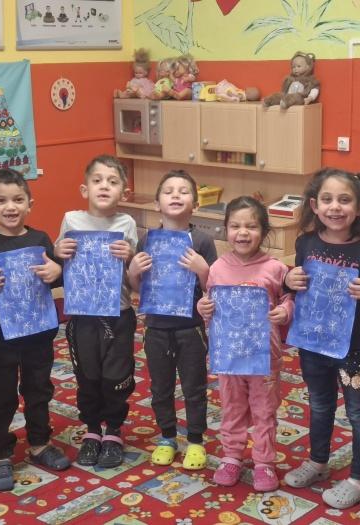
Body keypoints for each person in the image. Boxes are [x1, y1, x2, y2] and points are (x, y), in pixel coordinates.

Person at [284, 168, 360, 509]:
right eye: (327, 199)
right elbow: (296, 284)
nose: (335, 207)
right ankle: (318, 462)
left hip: (352, 349)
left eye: (344, 200)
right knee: (319, 404)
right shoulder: (305, 243)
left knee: (359, 412)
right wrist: (289, 280)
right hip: (313, 343)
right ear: (314, 205)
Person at [0, 168, 70, 492]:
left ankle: (39, 443)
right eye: (1, 201)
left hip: (38, 335)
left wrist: (57, 270)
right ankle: (1, 453)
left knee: (38, 388)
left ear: (29, 204)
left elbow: (55, 276)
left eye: (17, 199)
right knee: (1, 394)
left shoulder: (39, 240)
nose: (10, 207)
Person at [197, 196, 293, 492]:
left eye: (251, 226)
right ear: (226, 229)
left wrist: (285, 310)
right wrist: (203, 309)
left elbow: (289, 299)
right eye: (235, 226)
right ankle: (231, 456)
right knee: (232, 407)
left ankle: (264, 462)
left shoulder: (275, 268)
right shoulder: (217, 268)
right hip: (229, 355)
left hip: (264, 357)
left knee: (265, 410)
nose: (242, 232)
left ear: (264, 231)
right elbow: (209, 305)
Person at [127, 170, 217, 470]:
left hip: (191, 328)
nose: (176, 195)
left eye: (183, 191)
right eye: (168, 191)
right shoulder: (147, 240)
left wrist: (203, 269)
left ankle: (195, 440)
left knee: (194, 387)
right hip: (156, 327)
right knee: (160, 387)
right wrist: (133, 272)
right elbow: (139, 289)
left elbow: (213, 289)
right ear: (157, 204)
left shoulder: (202, 241)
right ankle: (167, 437)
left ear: (196, 204)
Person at [54, 154, 138, 468]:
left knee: (117, 374)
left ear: (124, 192)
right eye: (97, 180)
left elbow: (134, 273)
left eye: (112, 182)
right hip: (83, 314)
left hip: (119, 312)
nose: (104, 186)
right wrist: (58, 250)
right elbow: (59, 257)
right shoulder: (71, 220)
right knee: (87, 374)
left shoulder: (126, 223)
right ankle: (92, 430)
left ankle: (113, 430)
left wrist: (130, 255)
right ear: (84, 189)